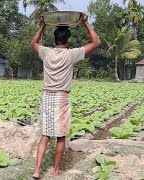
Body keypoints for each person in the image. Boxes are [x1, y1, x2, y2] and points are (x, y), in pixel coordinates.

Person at [31, 13, 100, 178]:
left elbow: (33, 42)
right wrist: (85, 23)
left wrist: (43, 25)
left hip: (47, 95)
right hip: (61, 97)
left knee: (45, 135)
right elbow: (96, 42)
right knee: (61, 136)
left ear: (55, 39)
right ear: (67, 40)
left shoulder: (46, 52)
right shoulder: (71, 54)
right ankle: (55, 171)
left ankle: (37, 170)